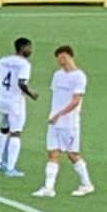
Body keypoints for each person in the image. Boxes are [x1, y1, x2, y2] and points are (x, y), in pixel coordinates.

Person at [33, 45, 94, 198]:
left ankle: (86, 184)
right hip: (54, 122)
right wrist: (54, 115)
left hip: (69, 123)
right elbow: (56, 97)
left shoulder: (79, 77)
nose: (60, 61)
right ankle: (48, 188)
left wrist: (59, 114)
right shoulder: (57, 75)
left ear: (69, 56)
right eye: (58, 58)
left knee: (72, 154)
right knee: (52, 153)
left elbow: (75, 101)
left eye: (62, 57)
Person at [0, 36, 37, 176]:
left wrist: (0, 85)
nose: (30, 50)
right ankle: (10, 168)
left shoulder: (5, 60)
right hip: (15, 103)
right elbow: (22, 83)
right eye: (29, 47)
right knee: (16, 133)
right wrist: (31, 94)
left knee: (3, 130)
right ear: (22, 48)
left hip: (2, 101)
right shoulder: (24, 64)